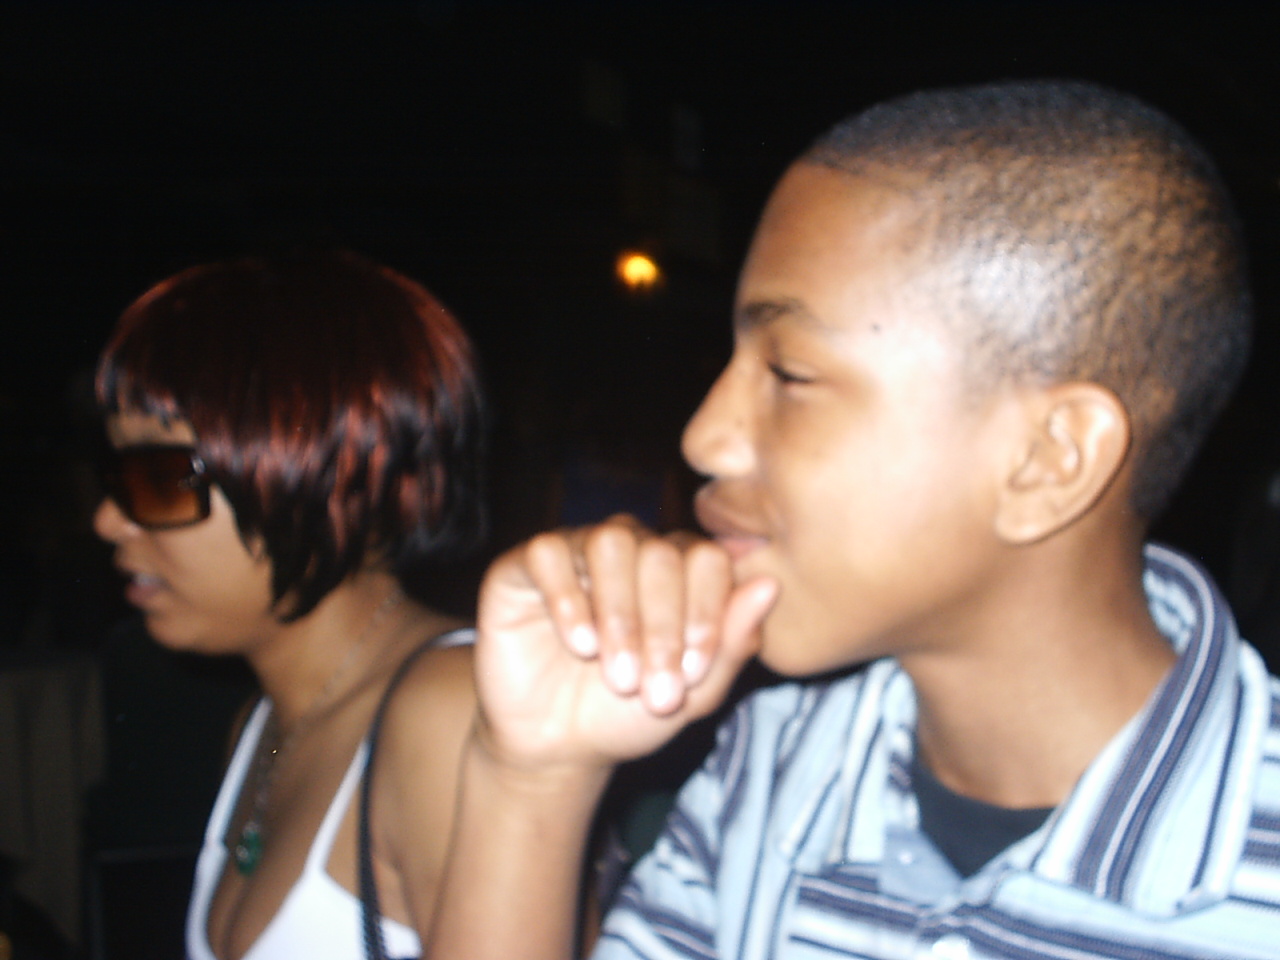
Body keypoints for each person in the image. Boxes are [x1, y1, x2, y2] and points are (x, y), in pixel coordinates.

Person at [426, 80, 1280, 959]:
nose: (704, 437)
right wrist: (534, 778)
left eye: (789, 373)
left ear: (1047, 459)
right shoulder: (778, 764)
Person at [92, 250, 485, 959]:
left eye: (159, 476)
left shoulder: (448, 718)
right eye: (115, 474)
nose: (108, 520)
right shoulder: (262, 725)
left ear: (325, 476)